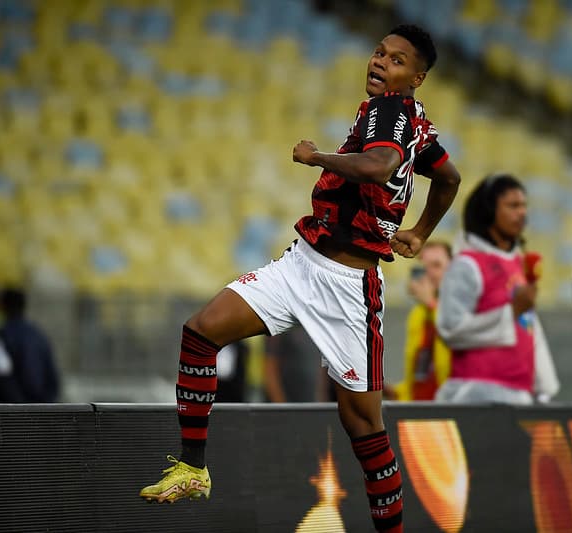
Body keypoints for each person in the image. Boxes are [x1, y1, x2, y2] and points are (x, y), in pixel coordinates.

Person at [140, 24, 461, 533]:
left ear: (417, 78)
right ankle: (193, 470)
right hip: (300, 264)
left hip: (348, 286)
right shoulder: (413, 121)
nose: (381, 62)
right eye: (379, 52)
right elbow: (448, 178)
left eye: (397, 60)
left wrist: (317, 157)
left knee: (362, 427)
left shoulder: (390, 112)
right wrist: (419, 232)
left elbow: (379, 166)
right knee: (201, 332)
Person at [435, 174, 559, 405]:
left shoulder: (516, 263)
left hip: (519, 394)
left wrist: (544, 388)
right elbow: (449, 328)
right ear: (488, 210)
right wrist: (510, 312)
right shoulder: (466, 265)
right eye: (513, 205)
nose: (522, 213)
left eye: (523, 206)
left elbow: (529, 327)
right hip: (475, 396)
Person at [389, 241, 452, 401]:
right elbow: (419, 373)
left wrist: (431, 303)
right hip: (418, 410)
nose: (428, 274)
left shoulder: (463, 307)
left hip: (451, 407)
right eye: (424, 267)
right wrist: (394, 392)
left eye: (436, 266)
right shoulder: (417, 314)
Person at [0, 288, 60, 403]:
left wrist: (21, 410)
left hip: (9, 415)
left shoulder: (1, 337)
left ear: (4, 307)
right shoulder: (40, 336)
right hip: (40, 412)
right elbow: (53, 379)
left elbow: (1, 378)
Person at [263, 325, 334, 402]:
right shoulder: (279, 324)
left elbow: (322, 367)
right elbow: (270, 368)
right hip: (288, 400)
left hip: (312, 401)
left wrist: (322, 399)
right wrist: (281, 405)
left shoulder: (319, 325)